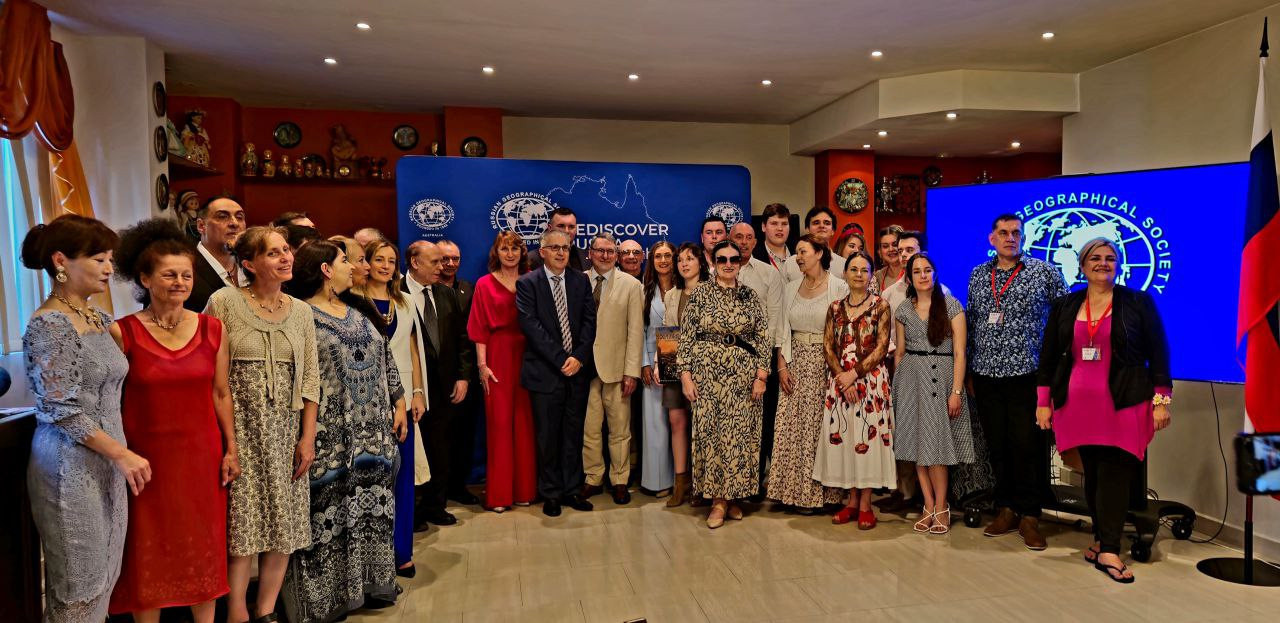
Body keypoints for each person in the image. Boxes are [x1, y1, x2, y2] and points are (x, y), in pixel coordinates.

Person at [107, 219, 238, 623]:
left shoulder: (213, 328)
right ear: (144, 278)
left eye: (186, 274)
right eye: (169, 274)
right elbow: (110, 401)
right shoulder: (120, 332)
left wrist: (232, 447)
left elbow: (221, 393)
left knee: (205, 546)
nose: (180, 282)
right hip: (145, 462)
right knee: (147, 554)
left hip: (201, 457)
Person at [21, 215, 140, 623]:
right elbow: (61, 409)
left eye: (109, 259)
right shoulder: (49, 324)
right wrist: (122, 455)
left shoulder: (98, 319)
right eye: (98, 259)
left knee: (107, 575)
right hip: (69, 465)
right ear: (61, 261)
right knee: (79, 585)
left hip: (108, 462)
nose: (109, 268)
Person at [280, 240, 407, 621]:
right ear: (324, 269)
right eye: (344, 261)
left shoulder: (357, 307)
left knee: (372, 511)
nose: (354, 267)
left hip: (373, 432)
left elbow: (385, 356)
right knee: (328, 515)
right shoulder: (300, 314)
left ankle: (371, 584)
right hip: (328, 435)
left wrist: (399, 401)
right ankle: (325, 599)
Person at [1036, 238, 1172, 584]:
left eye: (1110, 258)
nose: (1103, 263)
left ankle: (1110, 548)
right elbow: (1049, 358)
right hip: (1076, 405)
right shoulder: (1065, 306)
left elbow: (1159, 354)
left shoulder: (1137, 302)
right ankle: (1100, 540)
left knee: (1114, 474)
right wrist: (1042, 402)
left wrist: (1160, 401)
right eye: (1095, 258)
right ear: (1082, 266)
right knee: (1094, 474)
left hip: (1124, 403)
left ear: (1119, 265)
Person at [204, 226, 319, 623]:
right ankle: (236, 613)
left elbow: (310, 379)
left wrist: (308, 437)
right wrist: (228, 442)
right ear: (250, 264)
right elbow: (211, 376)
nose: (286, 257)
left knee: (284, 526)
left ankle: (266, 612)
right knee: (244, 528)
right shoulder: (223, 302)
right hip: (242, 432)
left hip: (287, 432)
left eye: (286, 250)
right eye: (274, 253)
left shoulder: (301, 310)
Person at [966, 213, 1069, 550]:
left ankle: (1030, 514)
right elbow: (973, 322)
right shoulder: (978, 276)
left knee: (1028, 445)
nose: (1010, 238)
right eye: (1003, 233)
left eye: (1016, 233)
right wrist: (967, 371)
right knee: (998, 444)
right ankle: (1006, 508)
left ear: (1023, 238)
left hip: (1029, 374)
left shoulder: (1045, 273)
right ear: (991, 239)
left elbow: (1064, 321)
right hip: (986, 374)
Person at [678, 240, 771, 528]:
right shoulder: (700, 295)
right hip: (707, 376)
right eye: (722, 259)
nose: (728, 264)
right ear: (713, 262)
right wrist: (685, 375)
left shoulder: (750, 296)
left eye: (733, 259)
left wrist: (761, 376)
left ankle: (735, 498)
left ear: (740, 262)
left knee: (741, 438)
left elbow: (763, 337)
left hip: (743, 379)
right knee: (713, 437)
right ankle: (718, 501)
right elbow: (686, 337)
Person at [356, 239, 429, 576]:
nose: (385, 266)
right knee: (372, 477)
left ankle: (402, 552)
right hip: (365, 399)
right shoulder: (353, 301)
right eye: (378, 259)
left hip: (402, 397)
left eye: (390, 260)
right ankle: (372, 556)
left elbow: (414, 349)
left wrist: (417, 392)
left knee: (401, 477)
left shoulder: (407, 302)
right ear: (366, 262)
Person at [516, 229, 598, 517]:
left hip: (577, 372)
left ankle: (572, 489)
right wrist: (562, 358)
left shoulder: (580, 281)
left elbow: (590, 322)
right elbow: (531, 326)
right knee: (548, 437)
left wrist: (578, 358)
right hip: (545, 372)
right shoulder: (527, 284)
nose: (561, 252)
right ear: (543, 251)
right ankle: (550, 493)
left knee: (573, 434)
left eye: (566, 247)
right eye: (555, 248)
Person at [891, 253, 973, 535]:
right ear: (910, 278)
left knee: (936, 448)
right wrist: (898, 391)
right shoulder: (903, 309)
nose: (923, 275)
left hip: (942, 379)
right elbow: (900, 353)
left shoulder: (951, 306)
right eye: (917, 271)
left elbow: (960, 353)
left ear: (935, 274)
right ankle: (927, 504)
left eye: (928, 270)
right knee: (917, 446)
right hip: (911, 379)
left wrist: (956, 391)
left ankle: (942, 505)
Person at [768, 234, 848, 513]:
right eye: (797, 253)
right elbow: (781, 331)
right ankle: (789, 490)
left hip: (825, 364)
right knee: (792, 429)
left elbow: (843, 334)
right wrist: (781, 366)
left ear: (819, 253)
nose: (798, 257)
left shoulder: (839, 287)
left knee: (820, 428)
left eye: (803, 252)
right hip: (794, 362)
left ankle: (822, 496)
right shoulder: (790, 287)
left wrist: (838, 371)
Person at [816, 252, 895, 530]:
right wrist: (841, 377)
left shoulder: (881, 306)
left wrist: (854, 375)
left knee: (867, 441)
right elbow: (827, 346)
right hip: (840, 384)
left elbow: (882, 347)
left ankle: (865, 503)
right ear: (845, 274)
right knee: (847, 439)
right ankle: (850, 501)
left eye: (864, 269)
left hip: (870, 383)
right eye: (853, 269)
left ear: (871, 275)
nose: (859, 274)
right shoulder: (835, 307)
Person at [404, 241, 478, 522]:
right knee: (411, 448)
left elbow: (462, 340)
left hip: (446, 385)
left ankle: (435, 505)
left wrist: (463, 376)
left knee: (442, 447)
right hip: (411, 386)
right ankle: (411, 510)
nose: (442, 268)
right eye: (434, 262)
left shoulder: (445, 294)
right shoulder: (396, 293)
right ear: (415, 262)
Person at [468, 231, 537, 512]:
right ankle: (499, 495)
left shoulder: (532, 281)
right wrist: (482, 366)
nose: (510, 254)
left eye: (515, 249)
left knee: (524, 422)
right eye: (504, 249)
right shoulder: (484, 284)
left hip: (529, 355)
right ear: (497, 252)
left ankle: (524, 490)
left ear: (522, 252)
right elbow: (478, 328)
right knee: (498, 425)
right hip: (497, 356)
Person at [581, 233, 644, 505]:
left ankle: (620, 479)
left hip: (618, 370)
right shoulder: (577, 281)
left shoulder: (631, 285)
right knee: (589, 428)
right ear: (590, 253)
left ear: (616, 255)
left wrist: (632, 372)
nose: (605, 256)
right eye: (600, 251)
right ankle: (593, 476)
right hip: (584, 369)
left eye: (610, 251)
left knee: (620, 429)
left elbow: (635, 331)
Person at [730, 221, 784, 495]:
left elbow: (774, 319)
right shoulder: (718, 271)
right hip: (726, 360)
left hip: (760, 358)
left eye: (748, 237)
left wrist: (767, 361)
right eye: (737, 236)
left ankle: (757, 480)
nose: (742, 241)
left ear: (755, 241)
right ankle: (733, 480)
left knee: (761, 420)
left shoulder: (768, 274)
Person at [660, 243, 707, 507]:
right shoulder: (672, 294)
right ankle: (681, 483)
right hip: (672, 363)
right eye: (680, 260)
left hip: (702, 369)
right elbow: (668, 332)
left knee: (700, 427)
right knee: (676, 422)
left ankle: (701, 484)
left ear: (701, 262)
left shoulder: (711, 292)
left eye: (690, 259)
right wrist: (661, 365)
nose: (684, 264)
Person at [639, 241, 677, 496]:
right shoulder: (643, 290)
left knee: (679, 422)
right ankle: (659, 482)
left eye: (668, 256)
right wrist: (644, 361)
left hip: (678, 356)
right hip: (652, 355)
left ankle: (682, 479)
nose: (663, 260)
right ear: (652, 261)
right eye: (658, 256)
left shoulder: (685, 287)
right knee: (655, 424)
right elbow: (638, 329)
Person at [188, 194, 247, 312]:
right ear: (201, 226)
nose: (234, 223)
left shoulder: (253, 264)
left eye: (240, 217)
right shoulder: (185, 266)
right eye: (222, 217)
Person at [783, 207, 845, 282]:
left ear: (833, 231)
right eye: (816, 223)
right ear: (807, 230)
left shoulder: (844, 264)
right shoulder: (790, 263)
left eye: (827, 223)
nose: (822, 226)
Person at [528, 207, 587, 271]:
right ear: (550, 228)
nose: (567, 231)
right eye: (561, 226)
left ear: (576, 229)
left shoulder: (586, 256)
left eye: (571, 227)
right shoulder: (532, 259)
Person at [754, 203, 792, 270]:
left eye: (784, 224)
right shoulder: (753, 257)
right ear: (763, 227)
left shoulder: (799, 253)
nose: (780, 228)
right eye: (774, 224)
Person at [872, 226, 904, 293]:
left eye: (895, 244)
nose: (891, 249)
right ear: (880, 251)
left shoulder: (912, 273)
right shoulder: (878, 276)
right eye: (885, 246)